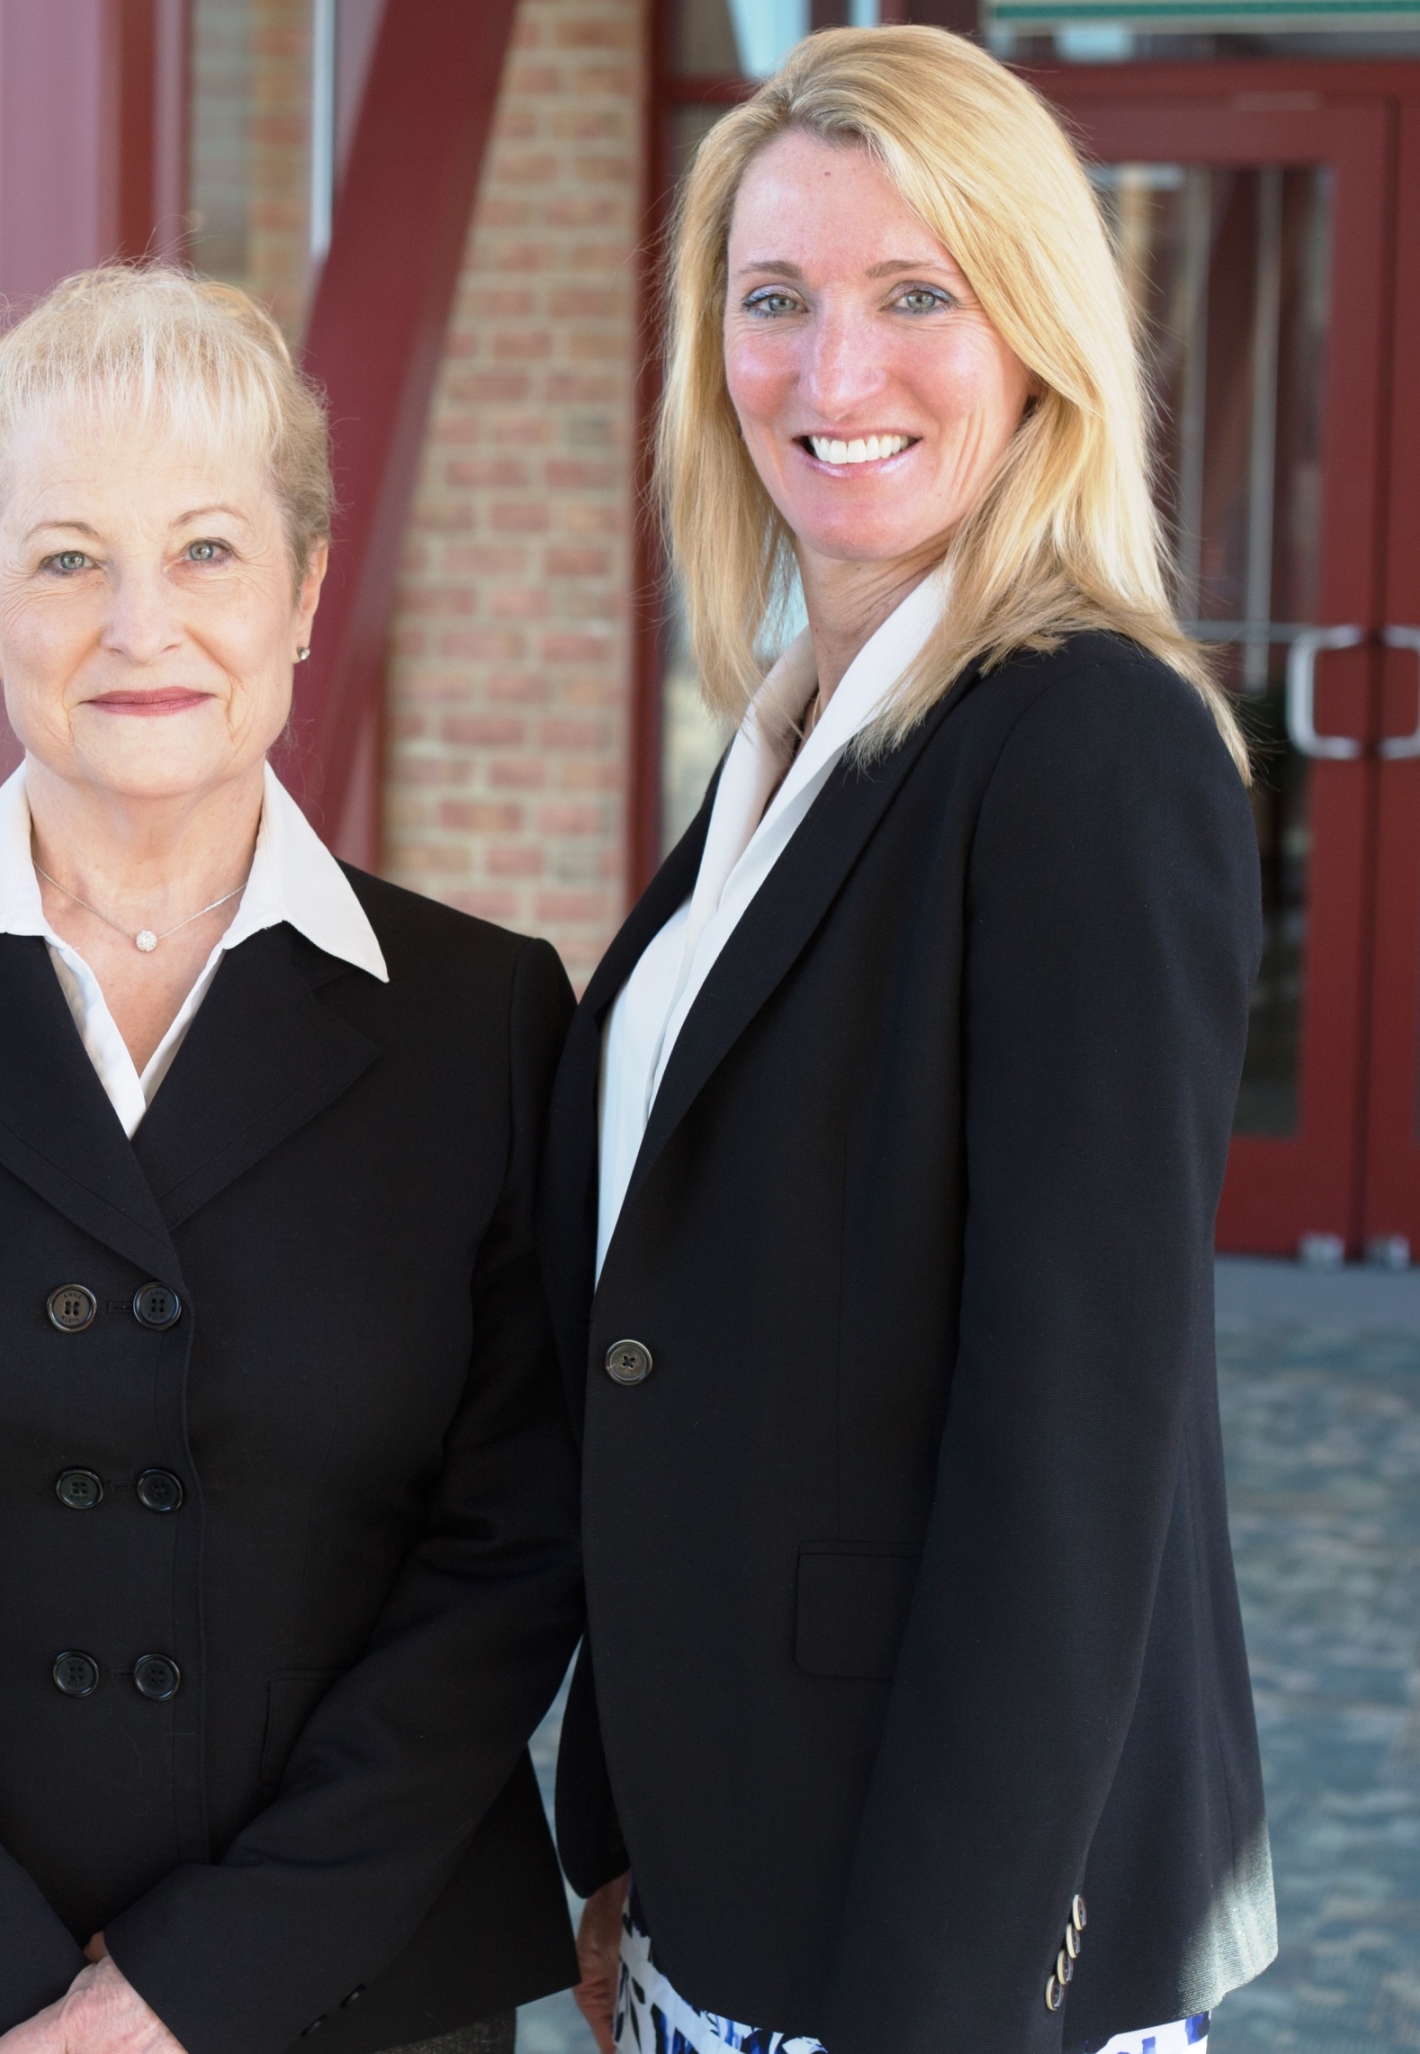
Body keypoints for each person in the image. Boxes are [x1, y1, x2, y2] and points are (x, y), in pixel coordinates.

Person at [0, 264, 585, 2054]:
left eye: (209, 551)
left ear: (306, 591)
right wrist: (4, 1993)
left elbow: (510, 1553)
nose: (141, 623)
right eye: (68, 557)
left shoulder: (490, 1020)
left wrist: (189, 1989)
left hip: (356, 1985)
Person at [538, 27, 1275, 2054]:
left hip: (933, 1956)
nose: (830, 375)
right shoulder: (803, 731)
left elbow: (1074, 1453)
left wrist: (937, 2012)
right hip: (734, 1892)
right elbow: (672, 1321)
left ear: (1034, 334)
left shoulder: (1086, 747)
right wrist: (621, 1829)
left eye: (913, 297)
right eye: (773, 301)